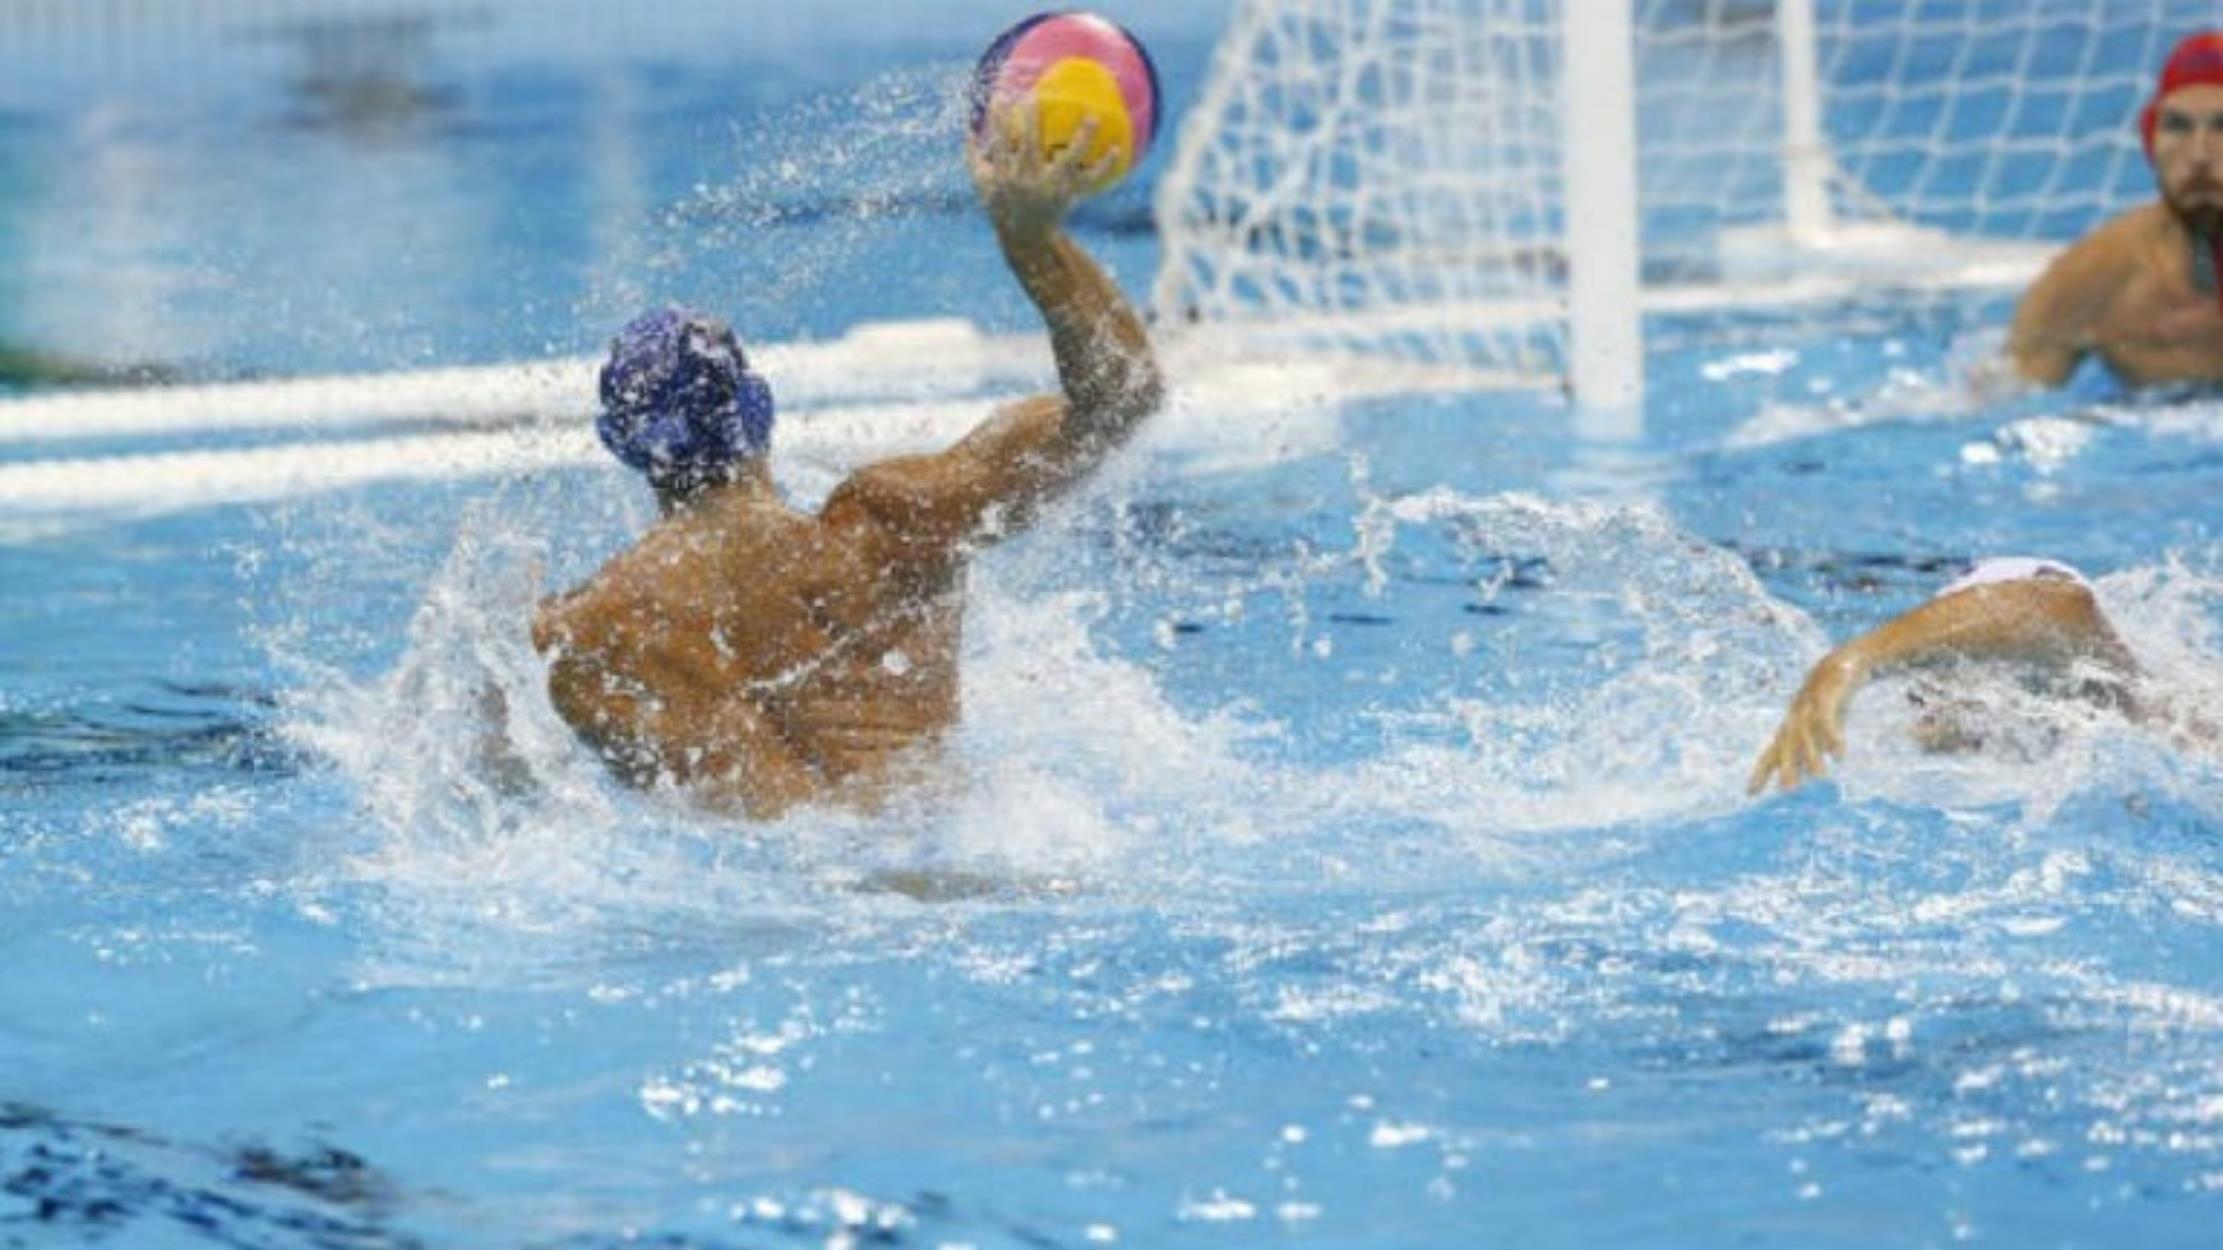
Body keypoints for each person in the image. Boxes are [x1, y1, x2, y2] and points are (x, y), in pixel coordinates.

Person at [530, 110, 1163, 819]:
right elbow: (1123, 399)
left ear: (621, 443)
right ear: (759, 408)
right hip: (948, 851)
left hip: (775, 875)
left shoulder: (588, 634)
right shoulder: (889, 527)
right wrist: (1032, 243)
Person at [1747, 559, 2149, 795]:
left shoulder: (2139, 708)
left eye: (1959, 670)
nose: (1931, 701)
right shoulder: (1909, 747)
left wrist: (1848, 662)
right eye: (1926, 684)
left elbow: (2058, 606)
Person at [2006, 32, 2223, 388]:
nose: (2199, 154)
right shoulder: (2099, 276)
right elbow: (2000, 398)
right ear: (2151, 139)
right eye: (2177, 126)